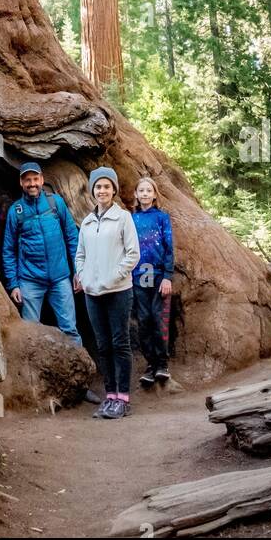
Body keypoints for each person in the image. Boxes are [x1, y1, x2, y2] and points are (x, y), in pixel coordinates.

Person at [74, 167, 140, 420]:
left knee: (119, 343)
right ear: (92, 191)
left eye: (106, 186)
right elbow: (80, 255)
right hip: (92, 293)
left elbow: (133, 254)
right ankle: (110, 395)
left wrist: (113, 276)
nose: (102, 191)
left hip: (118, 291)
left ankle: (123, 398)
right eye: (98, 187)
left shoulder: (123, 218)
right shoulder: (88, 222)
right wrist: (85, 275)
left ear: (113, 189)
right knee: (102, 345)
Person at [2, 163, 82, 345]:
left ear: (42, 180)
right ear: (21, 182)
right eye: (27, 180)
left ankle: (82, 371)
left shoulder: (56, 203)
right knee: (30, 334)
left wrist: (79, 270)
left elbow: (72, 237)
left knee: (70, 329)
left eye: (35, 179)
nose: (32, 184)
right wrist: (13, 284)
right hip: (30, 281)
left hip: (60, 278)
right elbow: (8, 250)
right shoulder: (16, 211)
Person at [131, 175, 174, 387]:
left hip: (158, 276)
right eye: (142, 191)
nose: (145, 194)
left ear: (155, 194)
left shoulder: (162, 218)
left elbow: (168, 248)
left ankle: (162, 363)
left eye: (149, 191)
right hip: (138, 276)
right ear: (136, 195)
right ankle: (150, 365)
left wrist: (167, 276)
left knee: (159, 319)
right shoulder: (131, 219)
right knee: (144, 320)